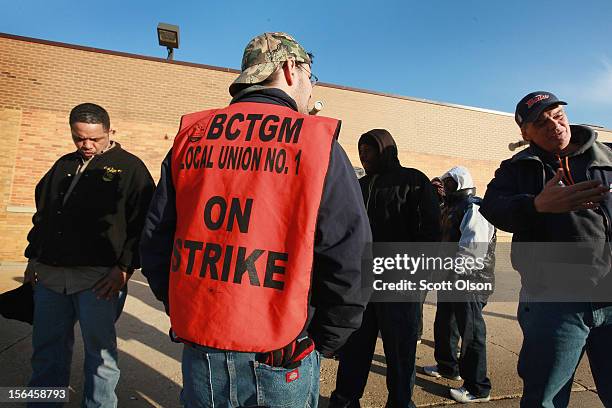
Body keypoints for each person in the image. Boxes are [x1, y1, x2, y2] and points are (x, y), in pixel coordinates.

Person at [140, 32, 371, 408]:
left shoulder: (192, 137)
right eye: (312, 78)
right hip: (283, 353)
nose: (312, 90)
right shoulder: (316, 141)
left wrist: (185, 311)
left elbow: (154, 242)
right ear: (290, 68)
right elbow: (349, 256)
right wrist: (324, 341)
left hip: (203, 347)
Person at [480, 91, 612, 407]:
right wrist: (536, 205)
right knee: (545, 399)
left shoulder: (607, 158)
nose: (553, 124)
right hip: (553, 303)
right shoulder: (517, 169)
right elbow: (492, 208)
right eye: (540, 122)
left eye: (556, 114)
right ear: (525, 133)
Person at [23, 103, 155, 407]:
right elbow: (43, 215)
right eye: (79, 138)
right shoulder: (63, 165)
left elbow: (143, 224)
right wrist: (33, 258)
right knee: (47, 351)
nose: (87, 145)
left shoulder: (130, 168)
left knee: (101, 357)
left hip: (99, 280)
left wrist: (124, 268)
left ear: (109, 132)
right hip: (51, 277)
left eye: (95, 139)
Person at [330, 129, 441, 408]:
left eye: (369, 150)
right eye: (361, 151)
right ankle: (345, 400)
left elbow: (430, 234)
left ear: (384, 149)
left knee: (400, 352)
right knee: (354, 349)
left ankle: (401, 402)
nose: (364, 156)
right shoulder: (360, 186)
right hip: (362, 287)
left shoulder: (414, 181)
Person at [422, 166, 496, 403]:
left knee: (471, 332)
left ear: (461, 183)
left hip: (471, 281)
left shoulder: (474, 208)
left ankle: (478, 387)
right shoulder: (451, 207)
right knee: (445, 323)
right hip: (450, 279)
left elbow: (473, 249)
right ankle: (447, 367)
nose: (446, 187)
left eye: (450, 183)